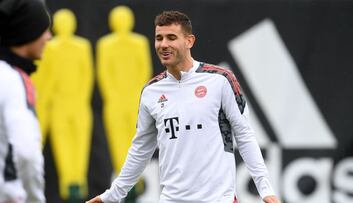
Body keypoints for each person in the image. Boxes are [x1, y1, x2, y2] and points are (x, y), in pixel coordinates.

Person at [87, 10, 281, 203]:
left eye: (171, 37)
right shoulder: (151, 92)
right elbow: (140, 149)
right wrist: (113, 195)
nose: (163, 44)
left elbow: (244, 134)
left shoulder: (220, 80)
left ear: (189, 41)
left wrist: (265, 189)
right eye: (159, 38)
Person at [33, 8, 94, 202]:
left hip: (76, 104)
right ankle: (70, 185)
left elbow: (87, 74)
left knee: (79, 144)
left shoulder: (82, 46)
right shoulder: (50, 47)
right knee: (64, 146)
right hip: (61, 104)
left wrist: (81, 97)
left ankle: (78, 183)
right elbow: (47, 76)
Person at [96, 6, 152, 203]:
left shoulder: (139, 43)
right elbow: (104, 73)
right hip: (118, 101)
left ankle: (135, 182)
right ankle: (127, 183)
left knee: (137, 140)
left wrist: (138, 95)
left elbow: (144, 69)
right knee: (120, 142)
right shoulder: (106, 44)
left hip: (133, 99)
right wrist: (113, 95)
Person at [0, 0, 51, 202]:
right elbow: (27, 153)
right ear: (27, 33)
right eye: (43, 30)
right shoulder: (14, 79)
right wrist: (34, 198)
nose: (48, 37)